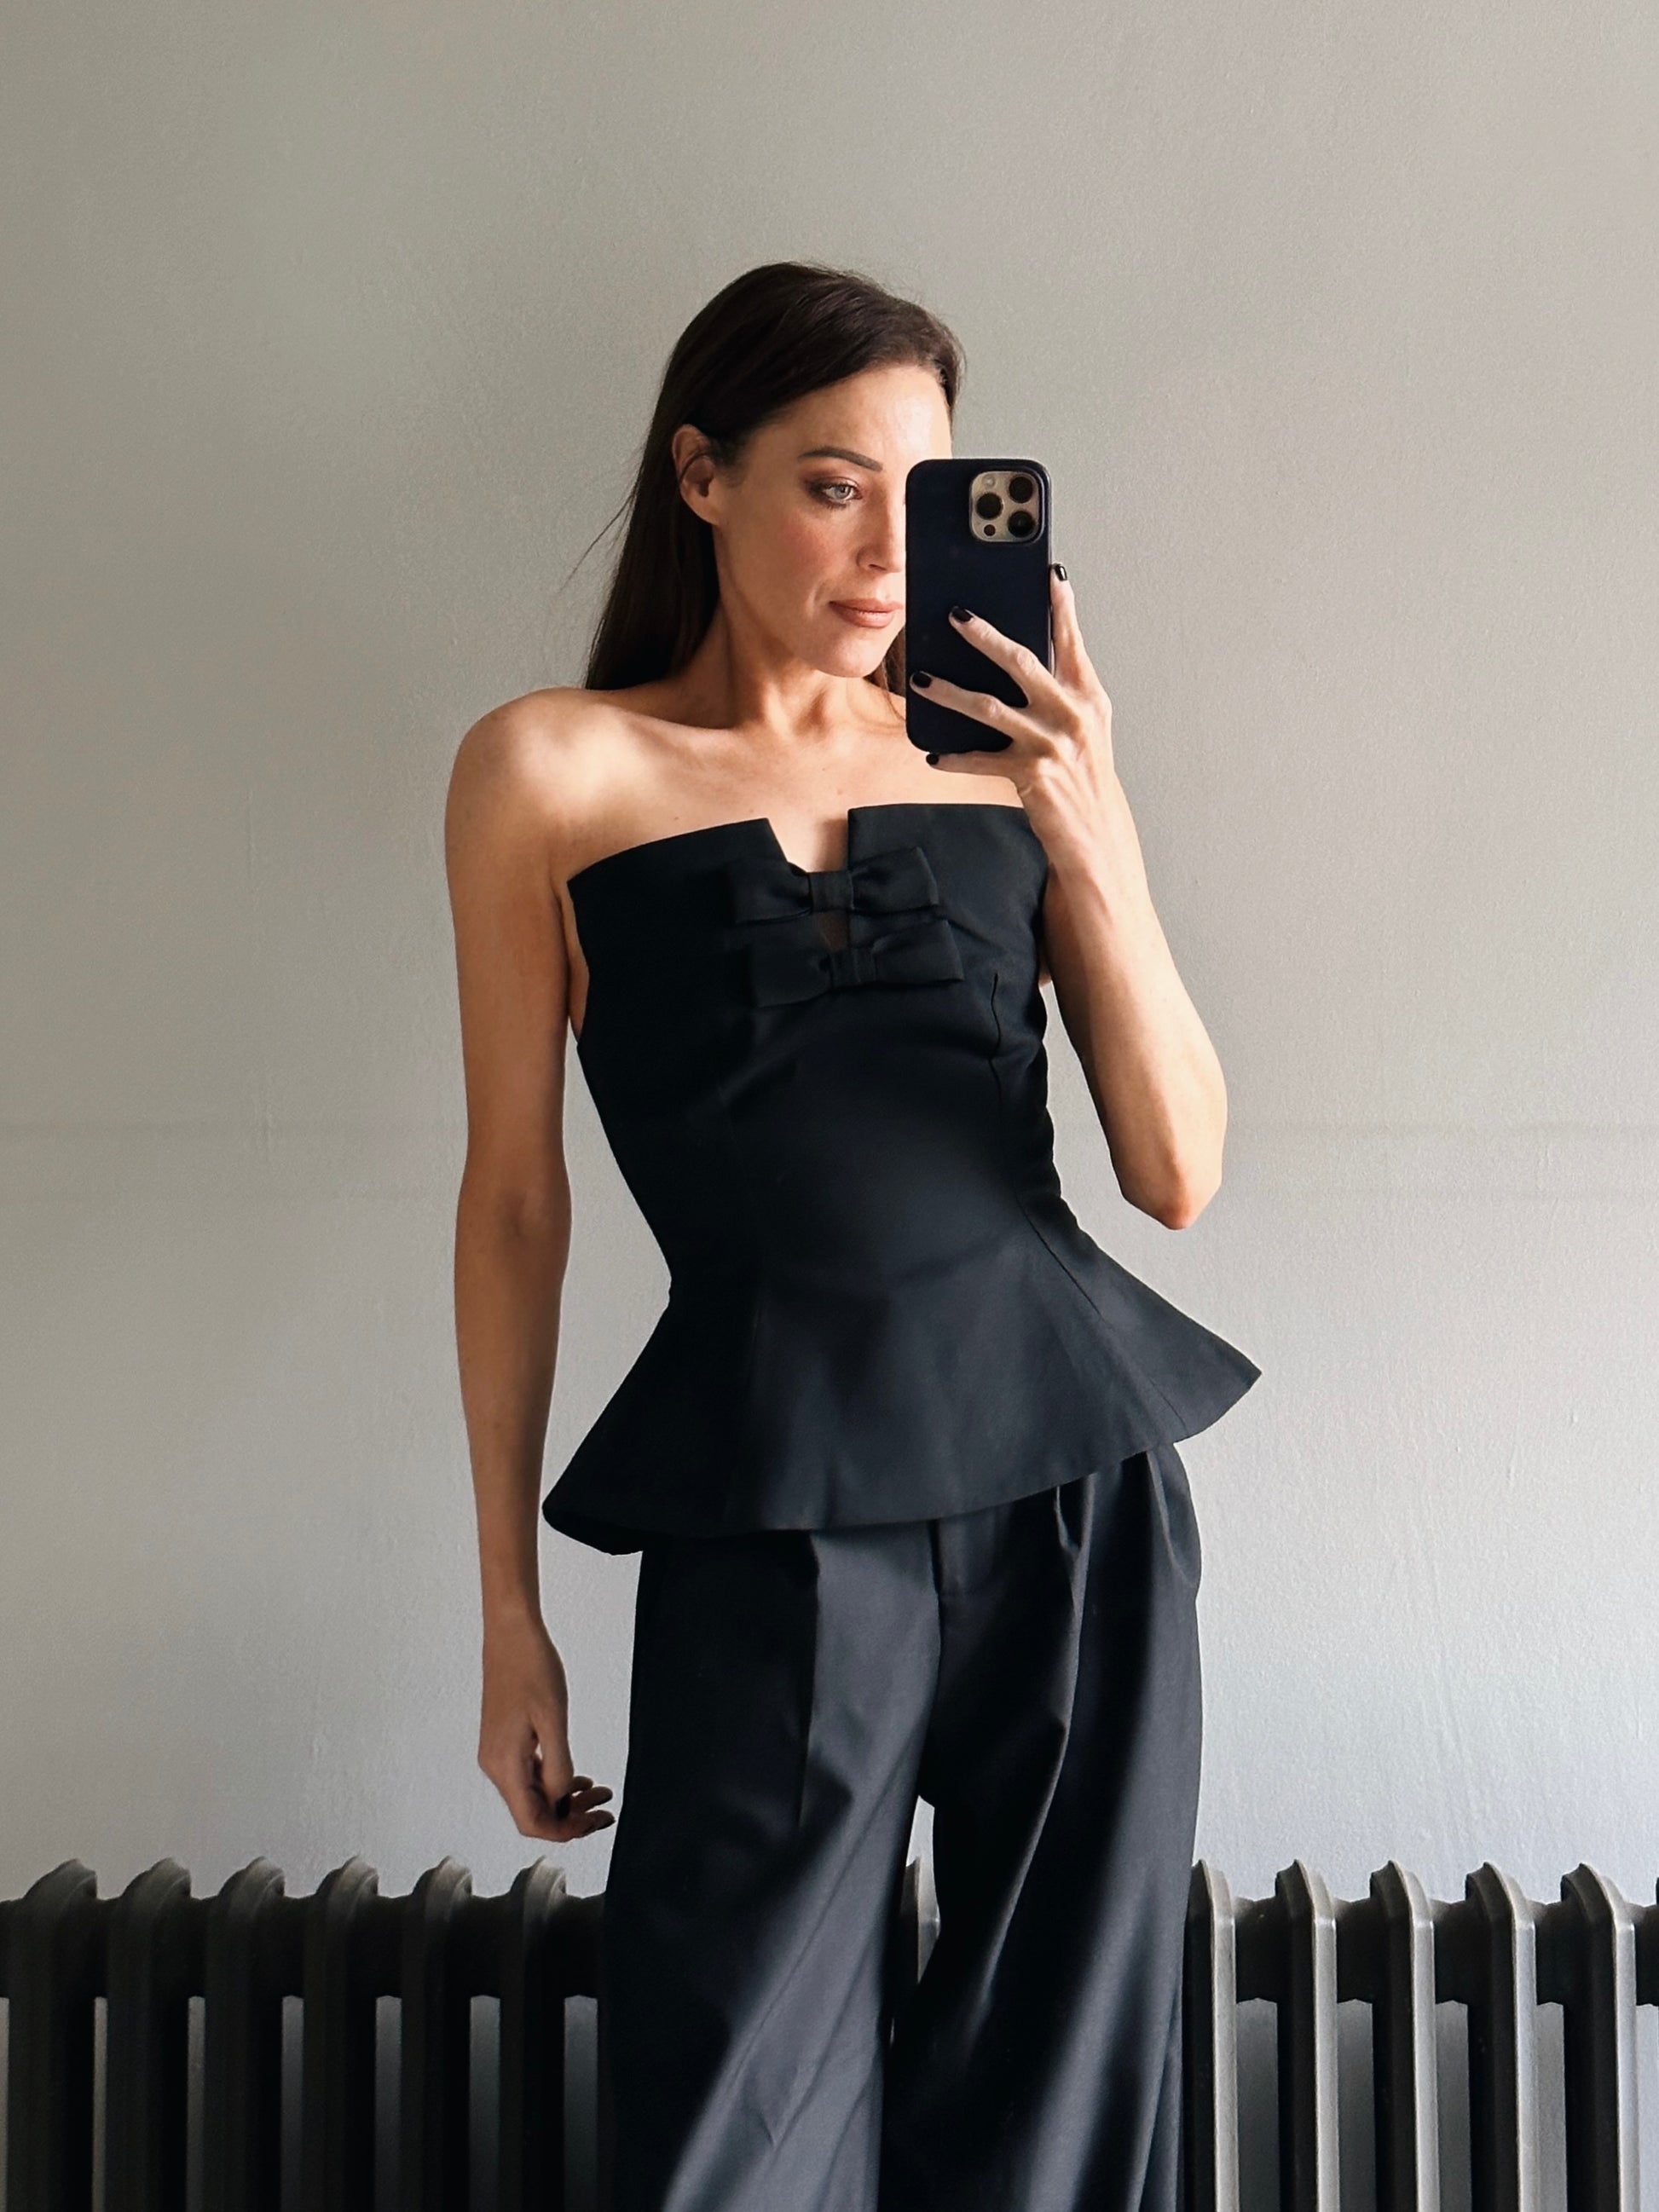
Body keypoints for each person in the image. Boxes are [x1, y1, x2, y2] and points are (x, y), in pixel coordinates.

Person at [444, 260, 1260, 2212]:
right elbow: (514, 1199)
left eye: (927, 495)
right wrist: (507, 1613)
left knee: (1060, 2106)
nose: (890, 553)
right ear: (700, 475)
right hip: (770, 1492)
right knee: (733, 2119)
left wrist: (1088, 820)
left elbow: (1176, 1170)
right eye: (832, 487)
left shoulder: (1005, 761)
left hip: (1071, 1482)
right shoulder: (549, 770)